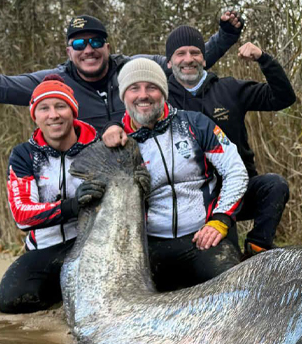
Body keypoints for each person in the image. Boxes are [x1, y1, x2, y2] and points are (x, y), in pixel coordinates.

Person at [103, 25, 296, 257]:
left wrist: (264, 59)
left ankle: (257, 248)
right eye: (180, 54)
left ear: (204, 59)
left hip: (234, 183)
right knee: (220, 253)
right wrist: (112, 126)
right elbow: (132, 109)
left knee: (274, 185)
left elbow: (283, 98)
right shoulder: (159, 98)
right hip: (194, 194)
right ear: (169, 62)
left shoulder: (229, 89)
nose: (188, 59)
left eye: (195, 52)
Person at [100, 58, 248, 292]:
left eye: (151, 87)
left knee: (233, 291)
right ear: (123, 96)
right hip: (149, 246)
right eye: (134, 88)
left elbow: (235, 171)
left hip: (203, 237)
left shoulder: (196, 124)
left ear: (164, 92)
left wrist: (220, 219)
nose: (143, 95)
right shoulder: (116, 142)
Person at [0, 12, 243, 131]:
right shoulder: (54, 82)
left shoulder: (134, 68)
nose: (88, 49)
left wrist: (226, 35)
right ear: (69, 51)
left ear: (107, 45)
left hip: (145, 173)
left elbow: (184, 64)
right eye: (79, 43)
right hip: (90, 181)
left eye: (96, 41)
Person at [0, 75, 104, 313]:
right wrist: (72, 206)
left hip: (91, 246)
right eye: (44, 108)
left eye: (60, 106)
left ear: (73, 111)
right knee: (11, 300)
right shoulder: (24, 155)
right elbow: (21, 215)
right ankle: (60, 294)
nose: (53, 115)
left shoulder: (98, 147)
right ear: (35, 116)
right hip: (45, 249)